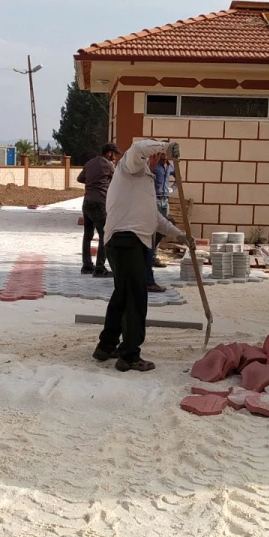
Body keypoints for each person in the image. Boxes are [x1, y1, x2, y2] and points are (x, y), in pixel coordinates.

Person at [95, 140, 188, 372]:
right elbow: (136, 147)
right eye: (158, 155)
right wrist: (165, 146)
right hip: (127, 241)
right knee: (136, 298)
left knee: (122, 295)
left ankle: (106, 346)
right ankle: (129, 355)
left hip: (125, 241)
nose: (160, 159)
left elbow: (154, 218)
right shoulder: (131, 167)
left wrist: (180, 236)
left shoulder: (144, 180)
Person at [77, 142, 121, 276]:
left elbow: (80, 178)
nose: (115, 157)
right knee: (104, 236)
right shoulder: (108, 165)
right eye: (114, 154)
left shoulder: (90, 163)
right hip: (100, 203)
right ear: (109, 153)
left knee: (88, 235)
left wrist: (92, 182)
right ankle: (100, 268)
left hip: (87, 202)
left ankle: (87, 266)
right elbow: (117, 180)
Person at [147, 156, 174, 291]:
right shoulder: (153, 165)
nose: (164, 155)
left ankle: (153, 255)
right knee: (154, 229)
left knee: (163, 227)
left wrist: (172, 188)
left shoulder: (170, 165)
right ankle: (150, 256)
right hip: (155, 198)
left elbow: (178, 179)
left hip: (165, 199)